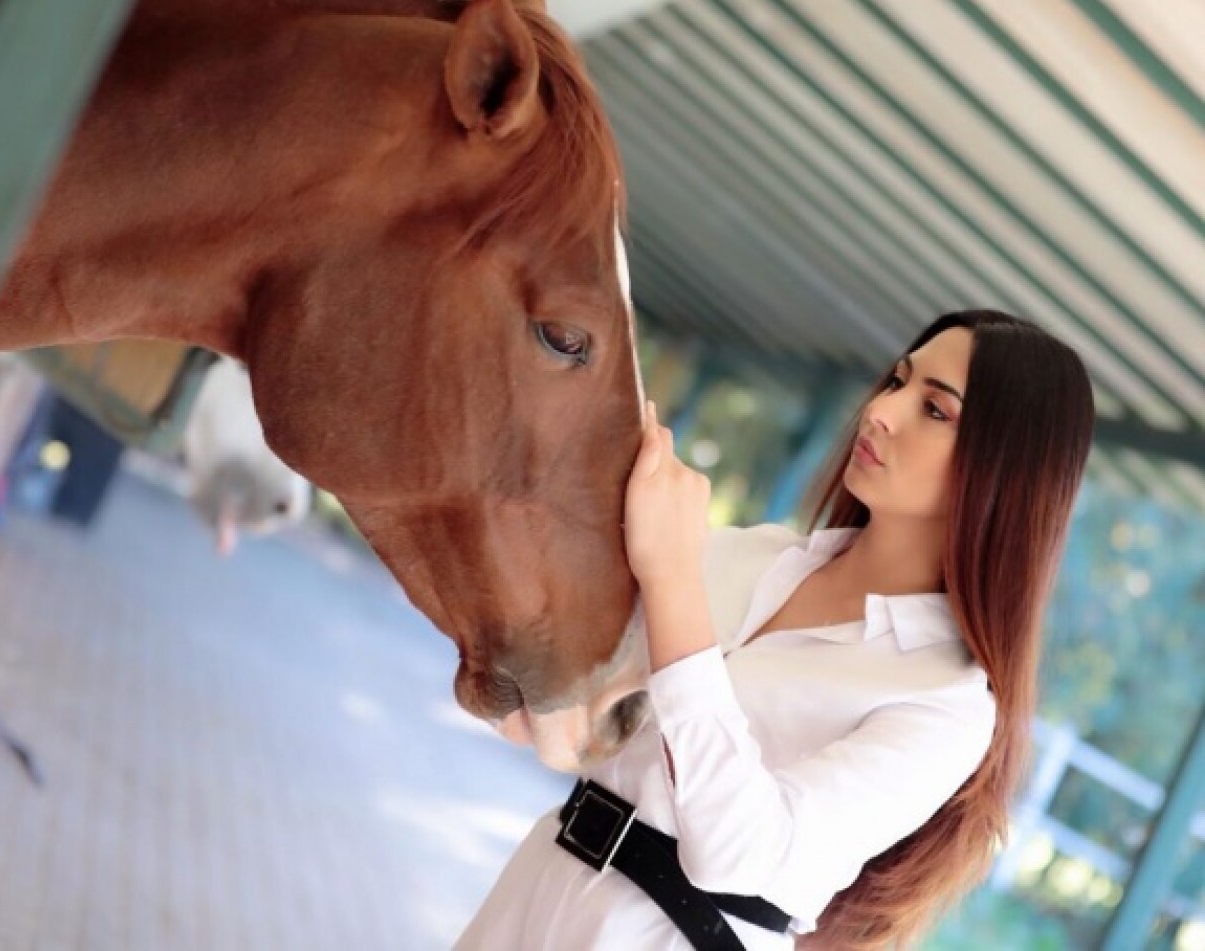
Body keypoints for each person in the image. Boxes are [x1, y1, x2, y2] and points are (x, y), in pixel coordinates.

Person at [456, 309, 1095, 950]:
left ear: (1003, 472)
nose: (881, 411)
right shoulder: (751, 556)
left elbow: (744, 851)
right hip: (536, 892)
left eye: (935, 411)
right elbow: (554, 698)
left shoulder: (946, 702)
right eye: (898, 382)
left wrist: (672, 580)